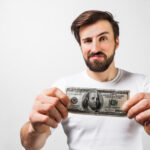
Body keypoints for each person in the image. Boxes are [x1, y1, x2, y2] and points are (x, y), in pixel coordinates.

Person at [20, 10, 150, 150]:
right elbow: (31, 145)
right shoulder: (62, 88)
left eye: (103, 38)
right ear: (81, 46)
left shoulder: (143, 85)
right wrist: (35, 128)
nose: (95, 48)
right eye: (87, 41)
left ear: (116, 42)